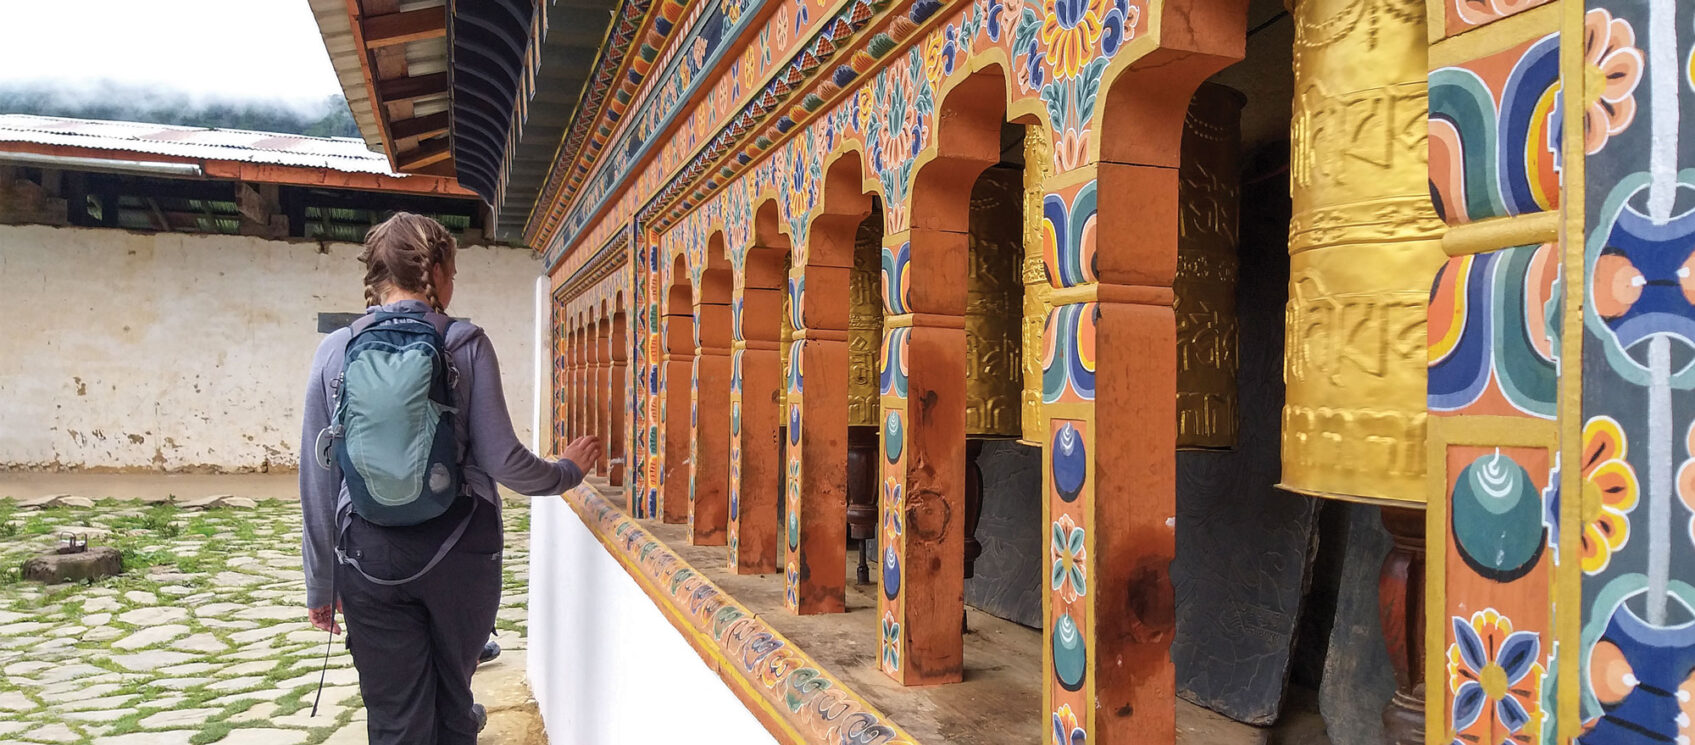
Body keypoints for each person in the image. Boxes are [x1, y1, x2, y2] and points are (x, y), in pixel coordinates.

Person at [300, 212, 599, 745]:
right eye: (453, 271)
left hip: (368, 558)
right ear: (435, 271)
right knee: (453, 701)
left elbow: (318, 483)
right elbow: (505, 462)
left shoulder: (335, 351)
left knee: (395, 716)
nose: (452, 284)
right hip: (460, 552)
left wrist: (323, 584)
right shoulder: (465, 343)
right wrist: (566, 471)